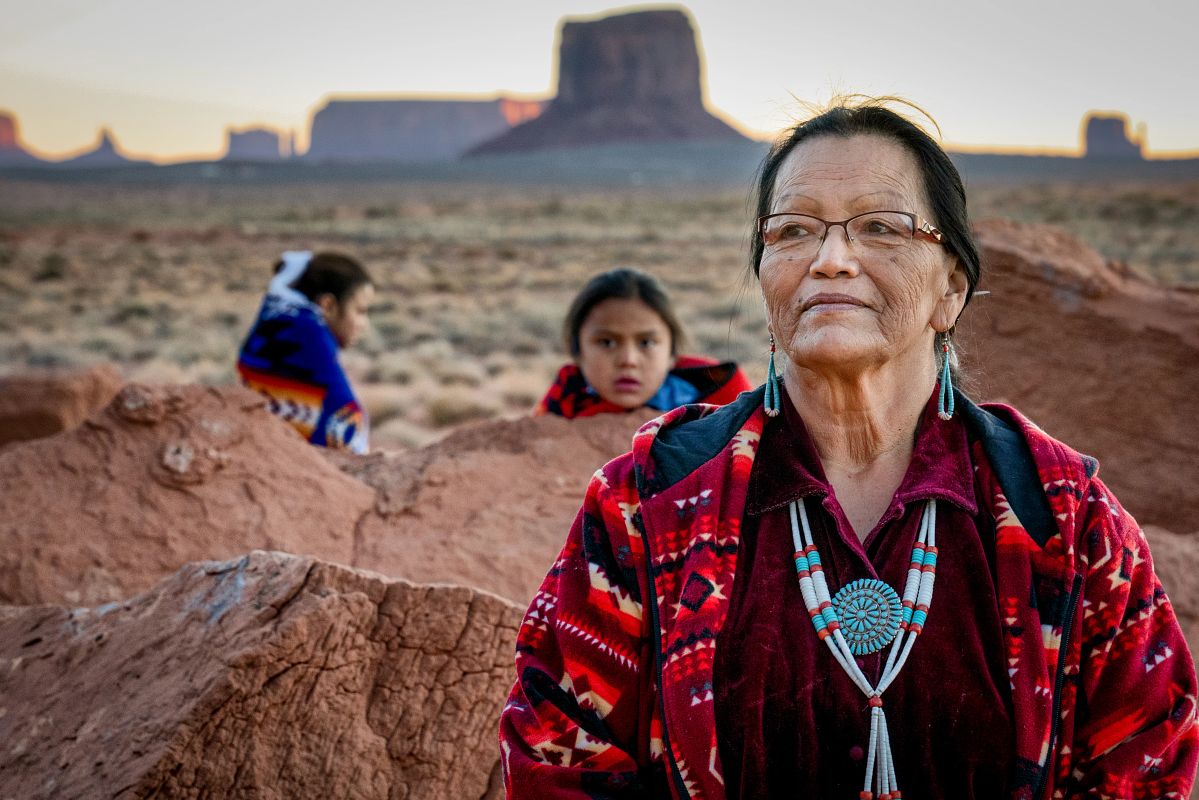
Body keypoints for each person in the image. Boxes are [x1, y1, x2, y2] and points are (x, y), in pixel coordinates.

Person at [499, 100, 1198, 799]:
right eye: (794, 230)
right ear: (767, 277)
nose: (830, 260)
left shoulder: (1065, 520)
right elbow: (556, 757)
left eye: (879, 228)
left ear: (950, 290)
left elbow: (1146, 760)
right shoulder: (647, 505)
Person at [535, 268, 752, 418]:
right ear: (577, 350)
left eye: (646, 342)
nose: (628, 361)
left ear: (671, 355)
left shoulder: (722, 400)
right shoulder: (566, 396)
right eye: (607, 342)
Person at [237, 250, 372, 454]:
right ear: (328, 305)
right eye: (360, 311)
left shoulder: (276, 324)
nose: (364, 324)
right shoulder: (308, 336)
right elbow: (345, 426)